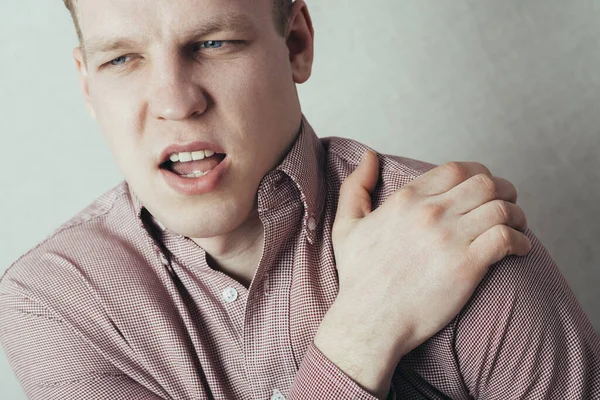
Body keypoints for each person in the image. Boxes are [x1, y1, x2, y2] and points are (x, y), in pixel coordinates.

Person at [1, 0, 598, 399]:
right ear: (87, 84)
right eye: (121, 58)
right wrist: (362, 334)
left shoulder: (454, 237)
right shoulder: (52, 302)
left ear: (296, 43)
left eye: (213, 42)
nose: (175, 101)